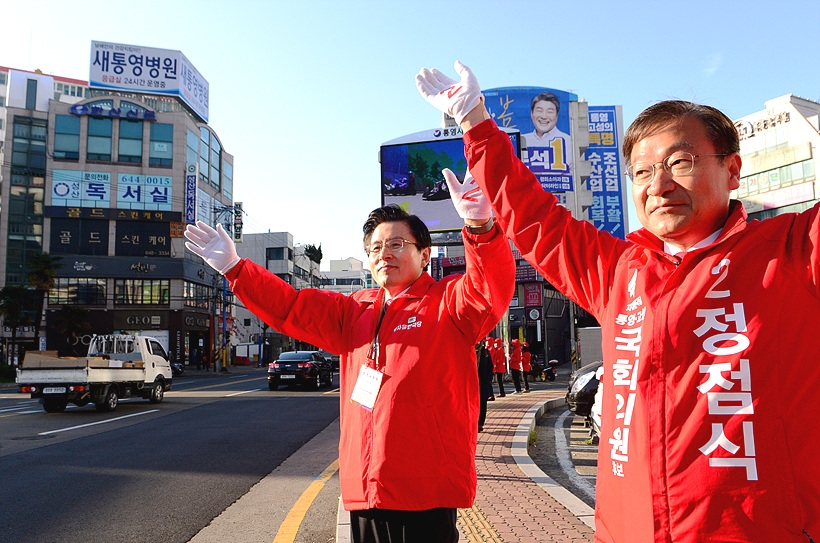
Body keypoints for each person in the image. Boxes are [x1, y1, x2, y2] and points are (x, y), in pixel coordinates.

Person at [417, 61, 820, 542]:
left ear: (732, 169)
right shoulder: (618, 270)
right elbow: (536, 219)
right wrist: (475, 123)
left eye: (680, 162)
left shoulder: (794, 252)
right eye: (643, 171)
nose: (658, 184)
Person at [184, 169, 515, 543]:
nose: (383, 255)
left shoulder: (448, 304)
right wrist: (235, 269)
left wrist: (481, 227)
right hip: (365, 491)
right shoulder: (356, 311)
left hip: (425, 496)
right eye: (375, 248)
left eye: (396, 245)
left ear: (425, 254)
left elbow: (490, 290)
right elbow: (291, 307)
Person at [522, 91, 573, 174]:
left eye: (550, 111)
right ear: (532, 114)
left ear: (557, 115)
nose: (544, 116)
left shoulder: (568, 142)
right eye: (539, 110)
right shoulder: (521, 140)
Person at [476, 339, 495, 431]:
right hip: (472, 383)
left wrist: (488, 379)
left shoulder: (485, 352)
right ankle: (474, 422)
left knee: (483, 401)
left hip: (483, 382)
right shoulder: (470, 350)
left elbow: (490, 366)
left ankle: (480, 423)